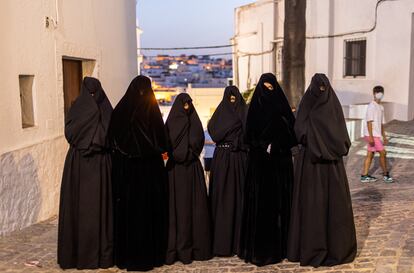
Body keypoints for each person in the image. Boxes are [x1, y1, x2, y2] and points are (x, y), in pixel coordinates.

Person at [287, 73, 357, 267]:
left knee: (331, 207)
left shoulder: (331, 108)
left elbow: (342, 138)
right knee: (312, 206)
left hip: (326, 167)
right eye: (318, 88)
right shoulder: (308, 106)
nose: (320, 92)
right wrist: (323, 143)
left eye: (323, 88)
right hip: (313, 166)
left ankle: (334, 248)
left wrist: (317, 142)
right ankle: (313, 248)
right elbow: (299, 130)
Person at [109, 75, 169, 271]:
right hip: (146, 173)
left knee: (133, 214)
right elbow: (161, 142)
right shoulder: (151, 110)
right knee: (145, 214)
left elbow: (113, 140)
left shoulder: (121, 110)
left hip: (130, 173)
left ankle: (129, 256)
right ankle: (148, 255)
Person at [239, 73, 297, 266]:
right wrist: (263, 144)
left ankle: (284, 247)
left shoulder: (283, 109)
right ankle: (261, 250)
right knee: (263, 207)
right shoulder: (253, 109)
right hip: (260, 167)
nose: (268, 92)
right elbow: (249, 136)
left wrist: (277, 142)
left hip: (280, 165)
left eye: (271, 88)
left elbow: (292, 132)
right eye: (265, 88)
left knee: (281, 205)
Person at [58, 77, 113, 269]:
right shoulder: (79, 108)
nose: (92, 97)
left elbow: (110, 134)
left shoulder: (104, 109)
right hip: (81, 166)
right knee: (81, 208)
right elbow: (70, 133)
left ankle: (102, 255)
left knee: (101, 208)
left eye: (94, 93)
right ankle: (80, 255)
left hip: (97, 164)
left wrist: (90, 138)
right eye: (89, 94)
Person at [165, 93, 212, 264]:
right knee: (176, 209)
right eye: (183, 105)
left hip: (191, 168)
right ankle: (176, 248)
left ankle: (195, 248)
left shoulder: (195, 122)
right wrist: (178, 154)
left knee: (194, 209)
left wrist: (188, 153)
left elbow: (198, 139)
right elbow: (167, 141)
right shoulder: (172, 122)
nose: (186, 108)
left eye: (188, 105)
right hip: (175, 171)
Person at [208, 85, 248, 257]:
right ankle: (222, 243)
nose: (232, 102)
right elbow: (215, 133)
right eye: (229, 99)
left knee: (241, 199)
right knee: (223, 199)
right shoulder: (220, 116)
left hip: (240, 159)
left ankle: (241, 243)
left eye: (235, 99)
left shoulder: (245, 113)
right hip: (223, 161)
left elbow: (251, 132)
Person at [361, 85, 393, 183]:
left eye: (381, 92)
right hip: (372, 135)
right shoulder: (371, 106)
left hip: (376, 135)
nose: (379, 94)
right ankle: (385, 174)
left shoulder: (381, 107)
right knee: (383, 153)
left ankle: (364, 175)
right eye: (377, 92)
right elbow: (369, 122)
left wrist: (384, 136)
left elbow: (381, 123)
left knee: (370, 154)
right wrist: (370, 137)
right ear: (374, 94)